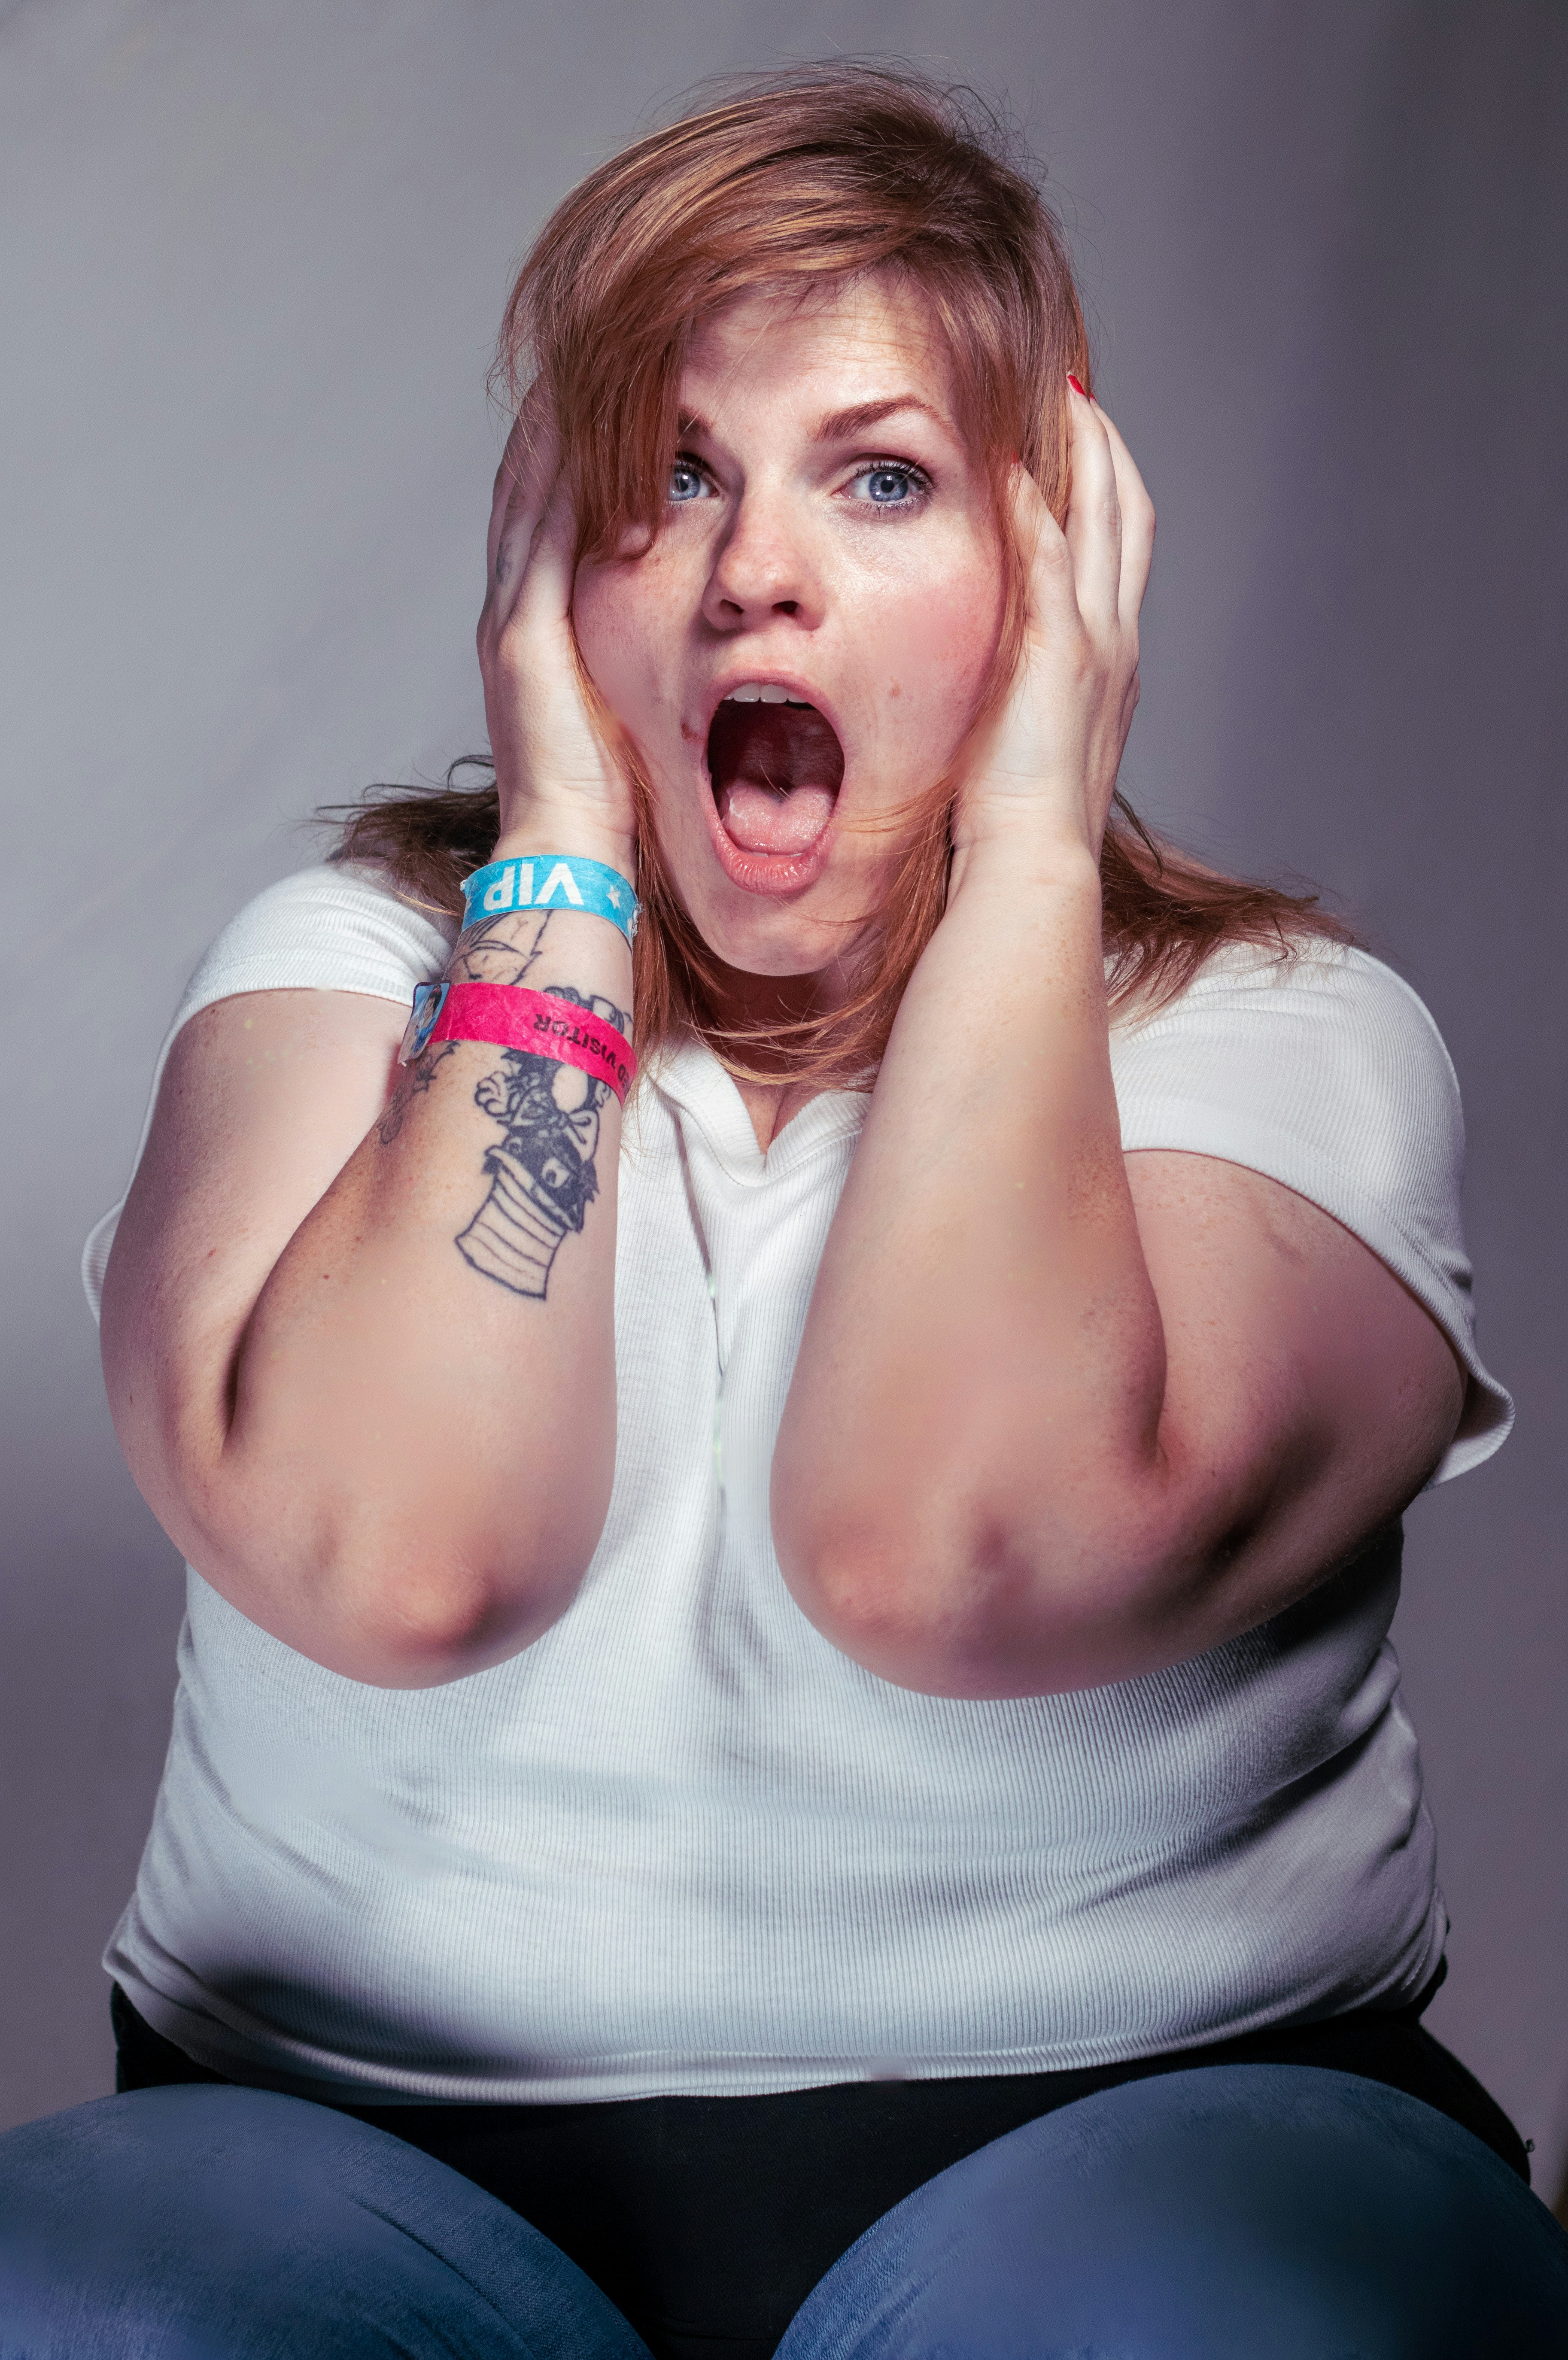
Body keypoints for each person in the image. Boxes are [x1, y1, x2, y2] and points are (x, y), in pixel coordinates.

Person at [3, 64, 1566, 2360]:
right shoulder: (342, 981)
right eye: (669, 480)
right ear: (556, 571)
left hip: (1161, 2130)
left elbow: (953, 1555)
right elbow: (401, 1557)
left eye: (885, 479)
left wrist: (1032, 840)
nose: (757, 567)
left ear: (1047, 572)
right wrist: (552, 829)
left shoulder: (1277, 1035)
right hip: (341, 2157)